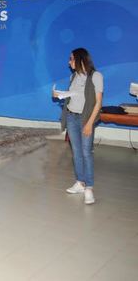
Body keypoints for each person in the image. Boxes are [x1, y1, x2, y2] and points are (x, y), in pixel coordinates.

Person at [56, 47, 103, 205]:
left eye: (71, 58)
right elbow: (73, 96)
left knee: (86, 153)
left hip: (85, 119)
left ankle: (89, 188)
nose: (69, 62)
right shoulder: (73, 76)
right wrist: (60, 95)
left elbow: (98, 103)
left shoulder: (96, 76)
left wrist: (89, 123)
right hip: (71, 117)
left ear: (80, 59)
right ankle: (80, 183)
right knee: (76, 153)